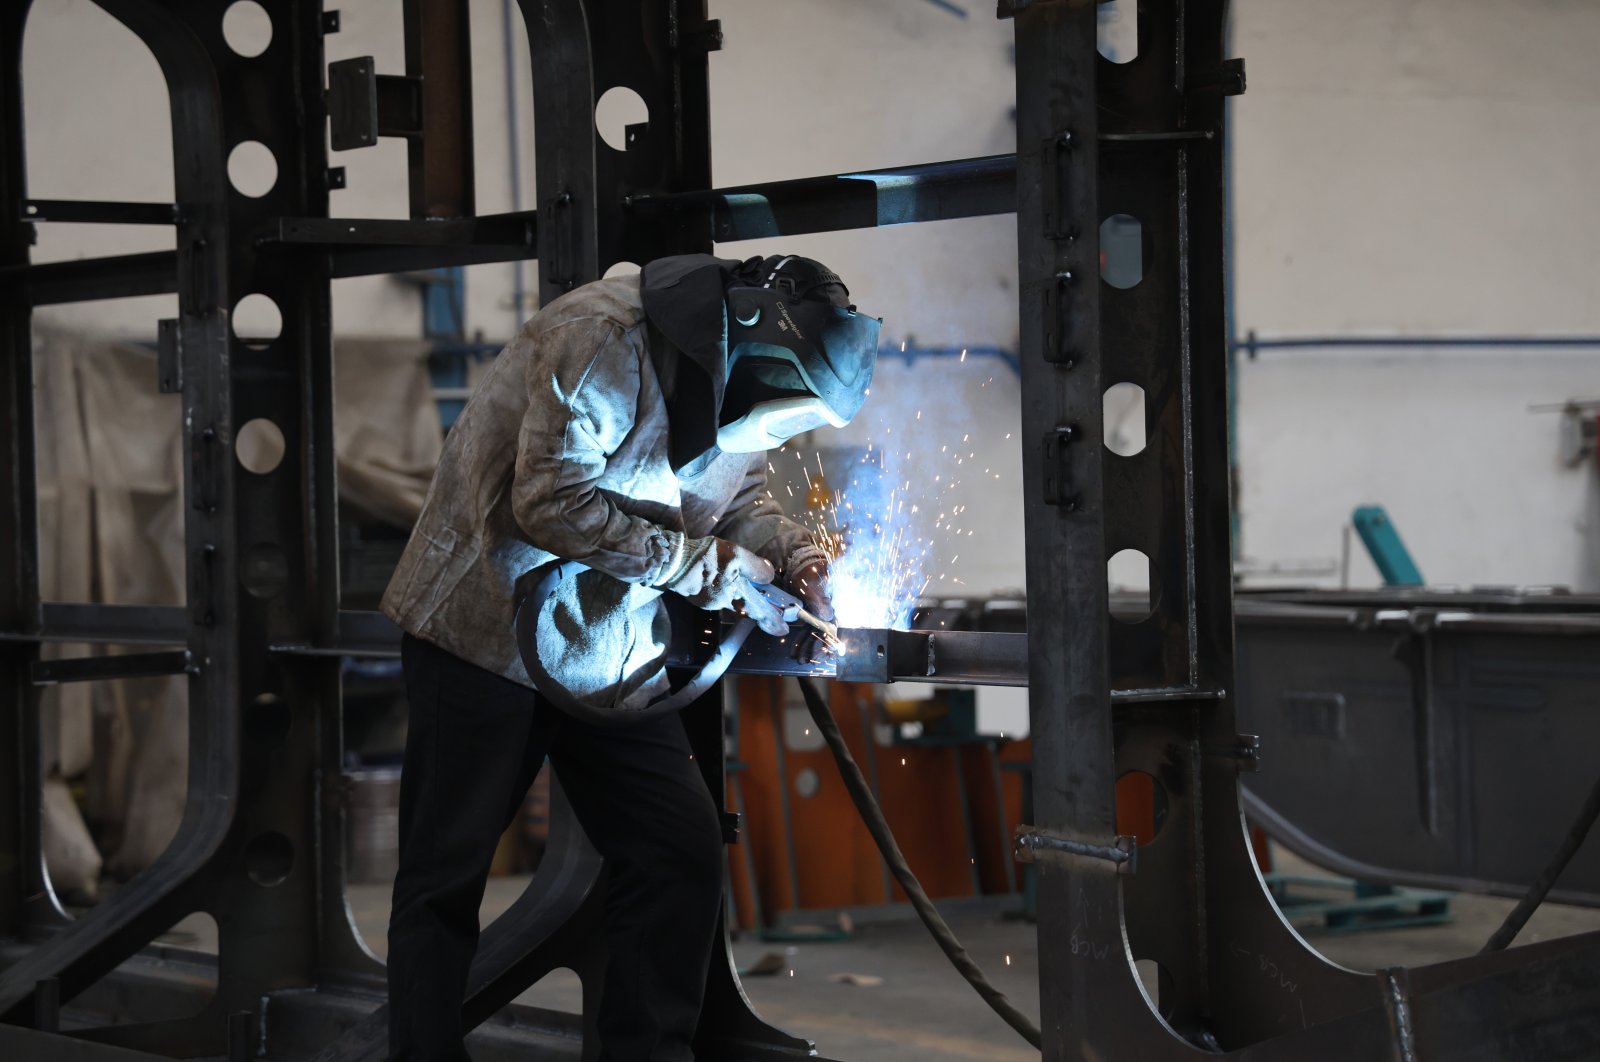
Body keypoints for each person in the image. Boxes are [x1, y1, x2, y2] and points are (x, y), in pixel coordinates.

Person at [380, 253, 880, 1061]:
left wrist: (795, 556)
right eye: (790, 407)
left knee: (676, 848)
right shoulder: (602, 338)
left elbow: (736, 499)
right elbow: (550, 501)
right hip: (485, 632)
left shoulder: (743, 380)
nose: (785, 425)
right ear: (754, 349)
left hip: (608, 648)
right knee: (445, 880)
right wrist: (710, 572)